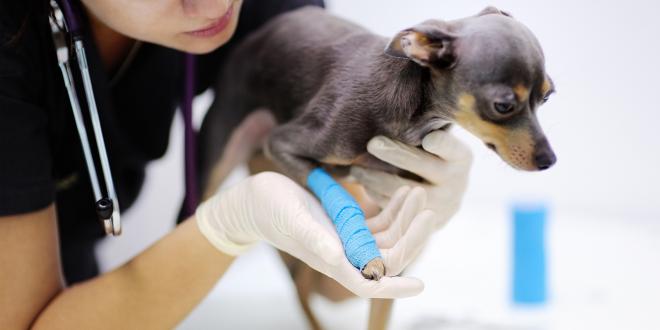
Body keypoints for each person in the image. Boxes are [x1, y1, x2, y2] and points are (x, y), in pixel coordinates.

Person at [0, 0, 473, 328]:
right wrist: (223, 228)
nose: (213, 7)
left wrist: (397, 218)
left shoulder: (267, 16)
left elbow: (335, 284)